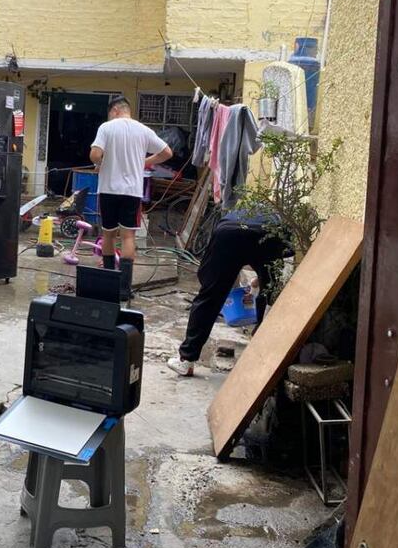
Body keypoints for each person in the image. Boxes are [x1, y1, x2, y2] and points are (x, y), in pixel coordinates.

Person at [167, 210, 293, 376]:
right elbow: (275, 266)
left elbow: (205, 275)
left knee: (209, 297)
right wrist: (262, 280)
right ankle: (261, 357)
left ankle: (187, 360)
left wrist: (214, 284)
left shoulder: (230, 220)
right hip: (266, 236)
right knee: (269, 295)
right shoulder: (279, 225)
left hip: (229, 237)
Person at [89, 96, 173, 300]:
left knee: (108, 235)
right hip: (132, 192)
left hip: (108, 190)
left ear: (115, 110)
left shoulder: (106, 128)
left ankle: (109, 285)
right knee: (128, 237)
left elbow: (95, 155)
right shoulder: (143, 130)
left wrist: (101, 164)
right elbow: (167, 153)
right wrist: (144, 162)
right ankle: (124, 290)